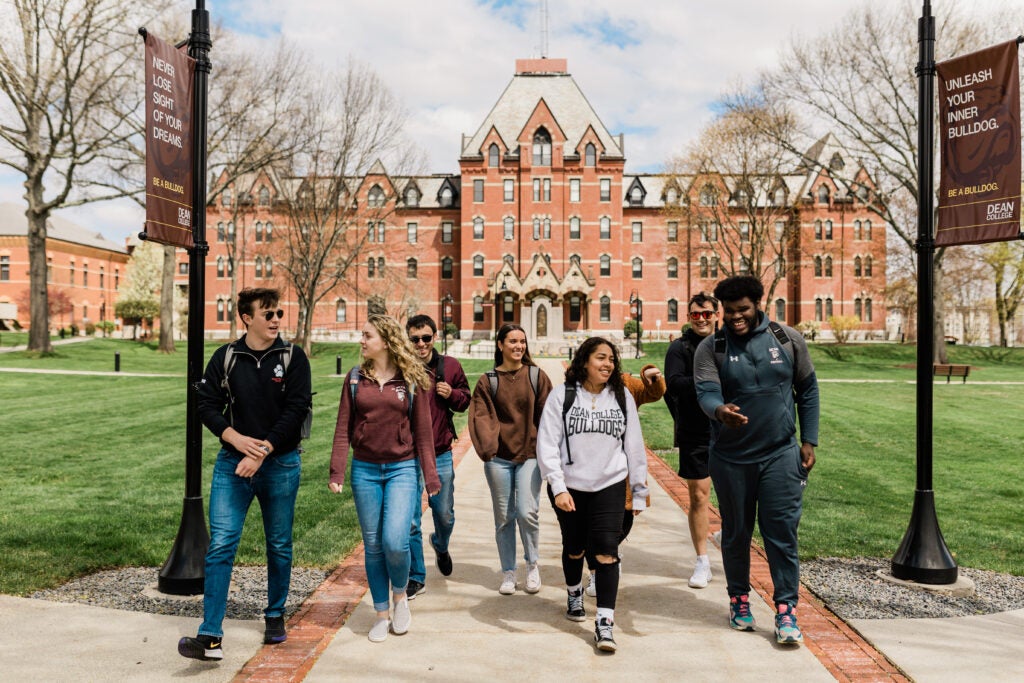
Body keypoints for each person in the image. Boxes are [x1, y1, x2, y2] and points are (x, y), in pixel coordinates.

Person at [179, 288, 312, 661]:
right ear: (246, 318)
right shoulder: (226, 357)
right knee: (221, 544)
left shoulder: (292, 357)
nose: (275, 320)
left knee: (279, 544)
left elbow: (297, 409)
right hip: (232, 463)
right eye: (267, 314)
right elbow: (206, 404)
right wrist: (235, 438)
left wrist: (263, 450)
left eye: (278, 314)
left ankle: (274, 615)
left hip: (281, 464)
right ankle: (210, 636)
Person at [694, 275, 819, 646]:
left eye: (743, 310)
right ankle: (739, 600)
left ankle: (786, 611)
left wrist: (809, 439)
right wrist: (720, 411)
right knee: (736, 532)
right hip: (731, 458)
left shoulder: (786, 339)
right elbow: (705, 391)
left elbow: (807, 388)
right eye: (729, 311)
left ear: (758, 305)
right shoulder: (711, 347)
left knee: (781, 532)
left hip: (780, 453)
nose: (736, 317)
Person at [329, 314, 439, 643]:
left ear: (386, 341)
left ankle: (400, 597)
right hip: (365, 469)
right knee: (374, 545)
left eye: (367, 336)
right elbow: (342, 429)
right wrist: (337, 470)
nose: (361, 341)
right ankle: (380, 613)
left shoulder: (410, 379)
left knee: (395, 539)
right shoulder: (354, 379)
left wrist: (430, 475)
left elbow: (423, 433)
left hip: (402, 469)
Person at [537, 337, 648, 653]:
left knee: (606, 551)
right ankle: (574, 592)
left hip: (609, 485)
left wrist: (638, 491)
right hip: (570, 487)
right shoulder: (564, 396)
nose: (608, 364)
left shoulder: (622, 397)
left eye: (612, 359)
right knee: (574, 548)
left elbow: (635, 448)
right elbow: (547, 445)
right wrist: (558, 487)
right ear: (584, 361)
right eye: (601, 357)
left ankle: (604, 623)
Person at [468, 323, 552, 595]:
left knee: (527, 512)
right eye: (513, 341)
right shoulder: (488, 380)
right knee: (504, 517)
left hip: (529, 456)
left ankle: (532, 565)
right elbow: (480, 416)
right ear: (500, 345)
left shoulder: (536, 376)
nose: (518, 346)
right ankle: (508, 572)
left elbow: (549, 416)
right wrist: (489, 448)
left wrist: (547, 450)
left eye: (522, 342)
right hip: (499, 459)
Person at [404, 314, 471, 599]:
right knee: (410, 520)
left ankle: (440, 545)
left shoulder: (450, 366)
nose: (421, 344)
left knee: (444, 514)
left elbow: (466, 399)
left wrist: (452, 394)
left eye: (426, 338)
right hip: (407, 456)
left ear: (434, 337)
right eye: (415, 339)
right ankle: (416, 577)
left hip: (440, 452)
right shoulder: (401, 368)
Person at [583, 363, 664, 597]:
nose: (603, 363)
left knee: (623, 521)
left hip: (622, 467)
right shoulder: (578, 386)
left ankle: (611, 551)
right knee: (590, 526)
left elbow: (654, 393)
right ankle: (597, 572)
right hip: (589, 467)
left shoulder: (626, 385)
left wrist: (652, 376)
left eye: (608, 357)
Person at [664, 292, 720, 589]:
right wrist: (712, 381)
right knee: (699, 496)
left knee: (742, 492)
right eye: (696, 314)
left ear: (716, 315)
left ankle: (729, 531)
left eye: (707, 314)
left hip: (729, 430)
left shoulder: (729, 345)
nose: (701, 319)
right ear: (689, 316)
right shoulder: (679, 348)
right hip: (695, 432)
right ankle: (702, 561)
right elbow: (673, 385)